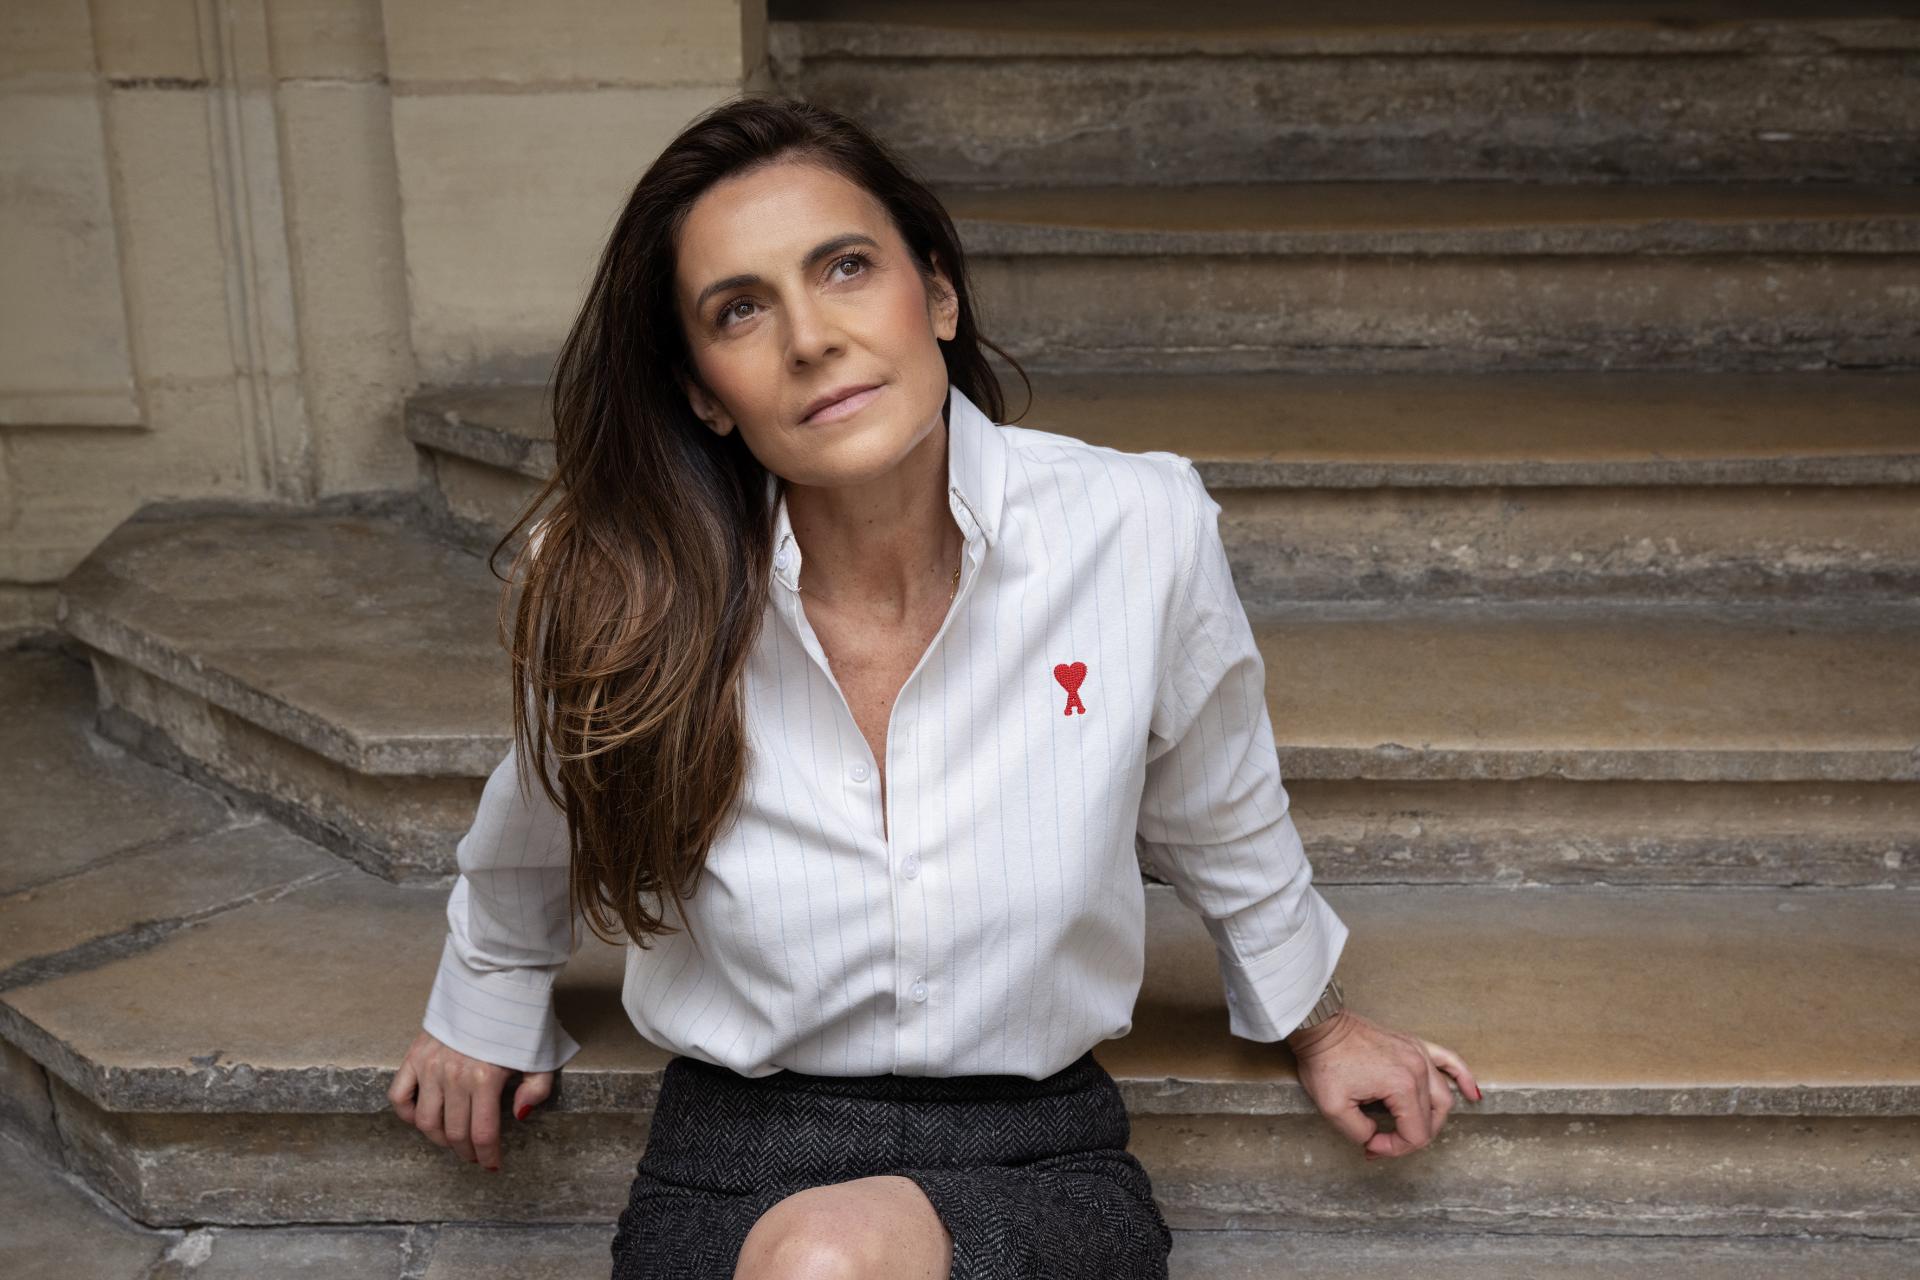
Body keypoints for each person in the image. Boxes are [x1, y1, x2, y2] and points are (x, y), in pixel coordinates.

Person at [387, 94, 1480, 1280]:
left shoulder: (1134, 528)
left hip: (1033, 1152)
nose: (810, 337)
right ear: (703, 389)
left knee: (827, 1261)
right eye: (740, 308)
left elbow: (1216, 802)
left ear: (939, 295)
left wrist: (1320, 1018)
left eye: (845, 267)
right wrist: (486, 995)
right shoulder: (626, 581)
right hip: (735, 1157)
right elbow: (543, 812)